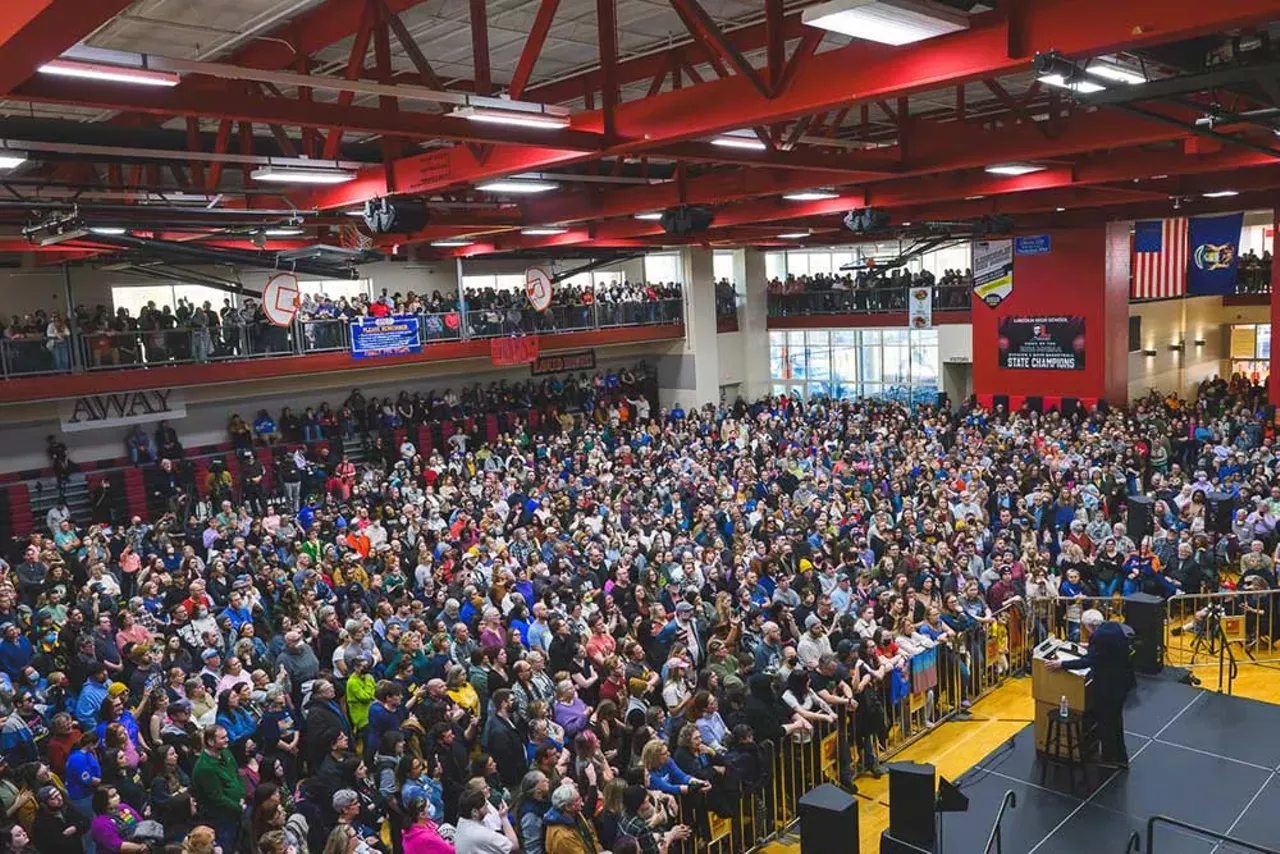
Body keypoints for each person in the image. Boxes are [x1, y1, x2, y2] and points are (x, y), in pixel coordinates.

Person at [1045, 609, 1136, 768]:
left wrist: (1062, 664)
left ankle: (1109, 758)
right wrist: (1089, 645)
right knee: (1116, 721)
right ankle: (1121, 756)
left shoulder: (1098, 636)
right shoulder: (1112, 626)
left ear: (1089, 625)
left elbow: (1088, 661)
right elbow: (1108, 648)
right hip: (1123, 683)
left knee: (1106, 723)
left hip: (1109, 687)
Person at [190, 725, 246, 853]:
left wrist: (242, 795)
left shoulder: (226, 752)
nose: (227, 740)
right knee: (227, 847)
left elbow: (236, 774)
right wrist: (238, 807)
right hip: (221, 818)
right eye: (223, 738)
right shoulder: (204, 768)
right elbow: (216, 797)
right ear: (210, 742)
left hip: (237, 810)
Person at [453, 786, 517, 854]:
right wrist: (504, 818)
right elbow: (513, 846)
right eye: (485, 805)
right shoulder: (481, 834)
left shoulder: (462, 821)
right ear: (474, 812)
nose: (488, 810)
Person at [541, 783, 603, 854]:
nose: (581, 801)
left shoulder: (576, 813)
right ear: (568, 807)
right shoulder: (563, 836)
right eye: (577, 800)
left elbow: (591, 835)